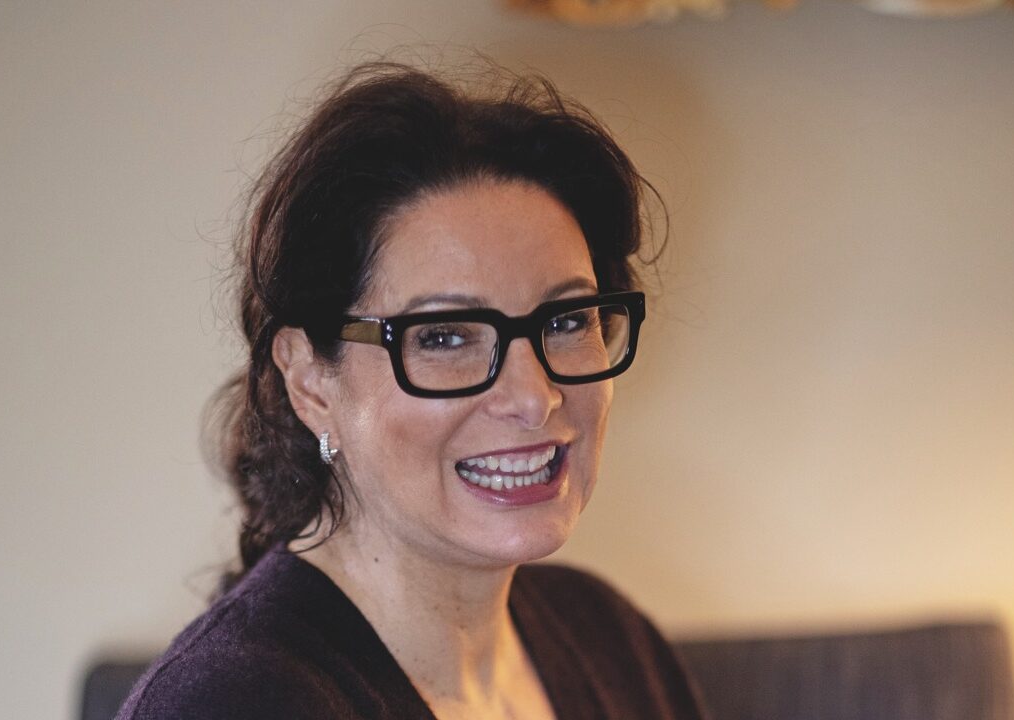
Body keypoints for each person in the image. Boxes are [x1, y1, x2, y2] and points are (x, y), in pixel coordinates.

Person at [117, 60, 707, 720]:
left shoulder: (606, 637)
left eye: (567, 321)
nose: (532, 396)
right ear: (309, 379)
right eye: (446, 336)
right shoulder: (233, 704)